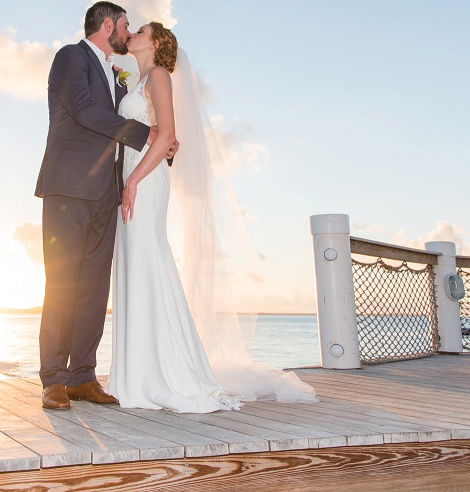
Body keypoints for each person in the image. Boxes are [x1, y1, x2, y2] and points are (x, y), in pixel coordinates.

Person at [108, 22, 318, 412]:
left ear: (154, 43)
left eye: (140, 29)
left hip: (145, 180)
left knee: (148, 263)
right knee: (138, 267)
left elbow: (168, 135)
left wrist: (134, 180)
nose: (132, 32)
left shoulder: (157, 75)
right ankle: (138, 372)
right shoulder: (138, 80)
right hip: (136, 174)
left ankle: (162, 374)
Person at [34, 1, 174, 411]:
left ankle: (82, 377)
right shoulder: (69, 58)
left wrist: (160, 140)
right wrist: (146, 133)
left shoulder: (119, 75)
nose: (128, 33)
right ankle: (53, 379)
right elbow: (85, 111)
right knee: (62, 284)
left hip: (105, 193)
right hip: (67, 189)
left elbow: (127, 122)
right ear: (108, 24)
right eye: (126, 25)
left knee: (95, 288)